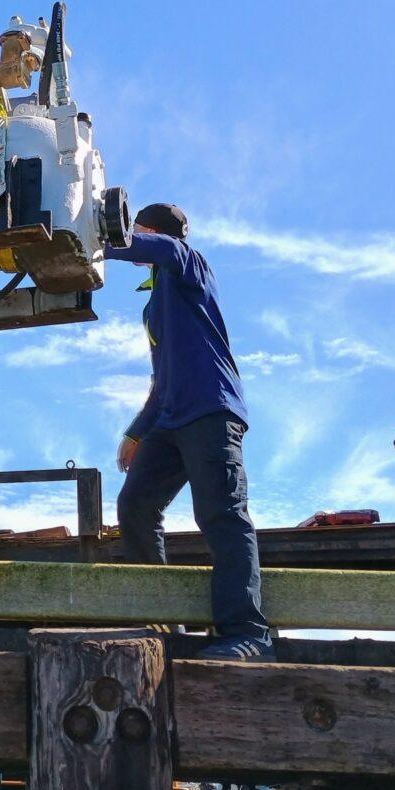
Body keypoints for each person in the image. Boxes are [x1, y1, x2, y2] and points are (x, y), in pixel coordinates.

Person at [106, 203, 273, 661]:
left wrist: (87, 233)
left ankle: (248, 635)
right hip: (171, 417)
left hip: (211, 411)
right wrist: (138, 432)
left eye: (138, 230)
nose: (134, 237)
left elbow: (153, 246)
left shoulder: (186, 261)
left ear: (152, 232)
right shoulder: (154, 301)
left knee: (221, 514)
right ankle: (161, 619)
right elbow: (163, 378)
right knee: (136, 505)